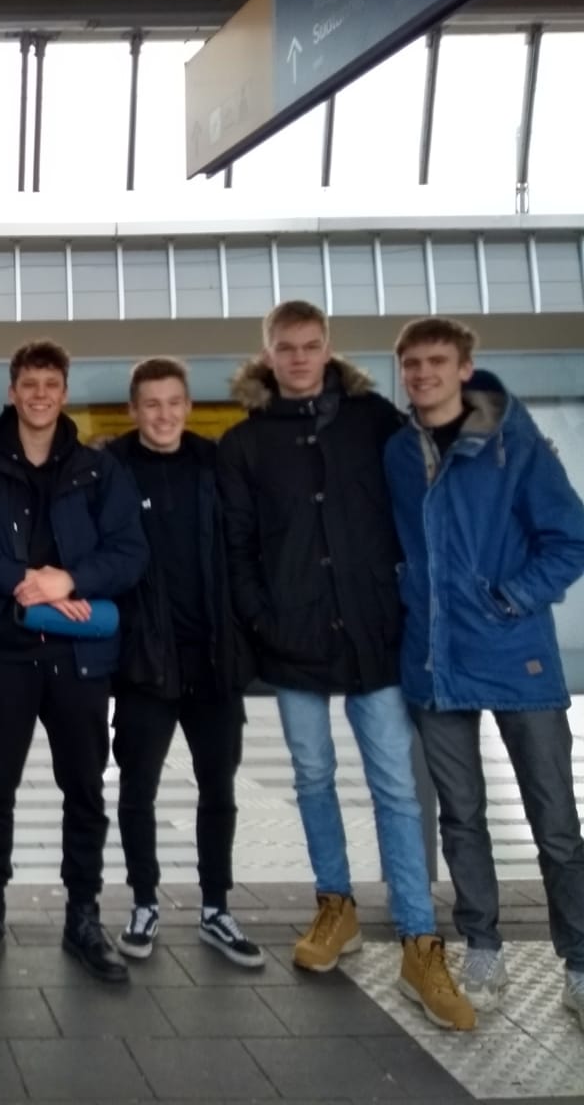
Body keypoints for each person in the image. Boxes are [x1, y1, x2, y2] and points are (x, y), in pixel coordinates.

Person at [218, 299, 473, 1030]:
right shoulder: (244, 446)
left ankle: (420, 941)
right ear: (268, 355)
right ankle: (336, 908)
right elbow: (238, 548)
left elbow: (428, 498)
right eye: (285, 347)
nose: (299, 358)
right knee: (313, 777)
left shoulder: (376, 423)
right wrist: (265, 621)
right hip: (294, 645)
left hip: (374, 638)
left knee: (396, 786)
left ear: (328, 349)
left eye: (311, 345)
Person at [385, 317, 584, 1023]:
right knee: (461, 816)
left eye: (436, 362)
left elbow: (570, 538)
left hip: (514, 654)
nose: (422, 374)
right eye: (410, 364)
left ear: (465, 369)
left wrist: (511, 598)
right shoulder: (396, 454)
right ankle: (483, 944)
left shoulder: (514, 444)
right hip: (434, 662)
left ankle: (580, 961)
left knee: (555, 821)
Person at [0, 339, 148, 983]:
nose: (39, 395)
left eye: (50, 384)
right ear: (12, 391)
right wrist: (25, 579)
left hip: (80, 657)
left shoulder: (97, 470)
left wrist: (71, 580)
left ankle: (83, 917)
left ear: (63, 391)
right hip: (4, 649)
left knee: (84, 789)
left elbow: (130, 553)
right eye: (28, 384)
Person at [105, 358, 261, 969]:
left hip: (214, 659)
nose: (164, 414)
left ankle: (216, 907)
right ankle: (144, 903)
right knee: (136, 790)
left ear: (188, 406)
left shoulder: (214, 465)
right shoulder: (112, 470)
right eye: (152, 404)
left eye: (173, 402)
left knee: (217, 789)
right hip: (146, 662)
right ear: (134, 409)